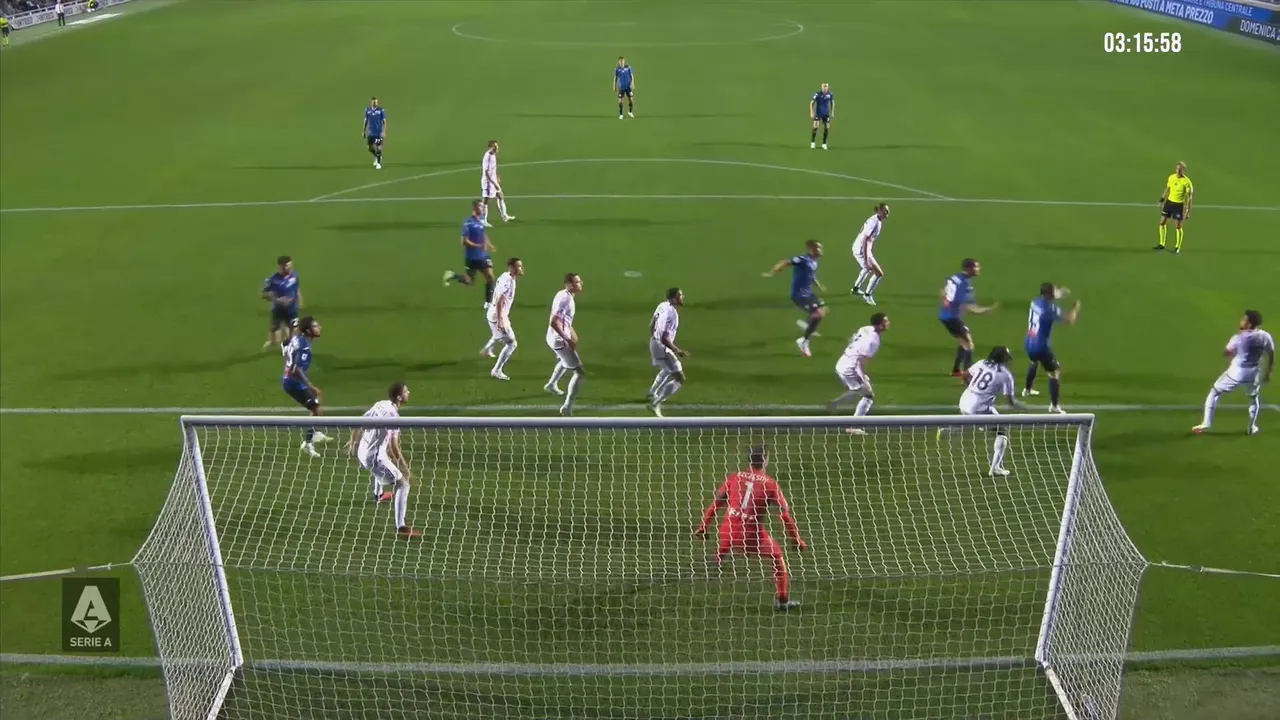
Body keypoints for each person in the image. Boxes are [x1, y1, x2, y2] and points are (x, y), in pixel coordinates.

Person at [695, 444, 808, 612]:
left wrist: (703, 527)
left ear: (749, 460)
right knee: (777, 556)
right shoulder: (771, 484)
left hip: (727, 531)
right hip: (751, 537)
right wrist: (796, 539)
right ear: (766, 461)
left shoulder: (734, 477)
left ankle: (716, 561)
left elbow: (716, 504)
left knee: (730, 527)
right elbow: (784, 516)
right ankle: (783, 601)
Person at [348, 382, 421, 539]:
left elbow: (359, 420)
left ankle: (378, 495)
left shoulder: (381, 404)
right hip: (373, 458)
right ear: (399, 397)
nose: (409, 392)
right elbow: (394, 447)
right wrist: (406, 469)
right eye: (406, 391)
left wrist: (353, 440)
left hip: (363, 450)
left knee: (383, 453)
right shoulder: (393, 416)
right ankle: (401, 527)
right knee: (403, 484)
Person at [944, 346, 1022, 477]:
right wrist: (1023, 406)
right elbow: (1011, 402)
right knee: (1001, 430)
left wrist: (974, 390)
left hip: (964, 401)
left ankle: (949, 430)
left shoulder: (981, 363)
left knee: (977, 420)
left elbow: (964, 375)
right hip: (979, 408)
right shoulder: (1005, 375)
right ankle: (995, 468)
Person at [1193, 310, 1274, 436]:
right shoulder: (1265, 336)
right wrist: (1268, 372)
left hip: (1236, 373)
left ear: (1249, 324)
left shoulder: (1239, 338)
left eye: (1244, 319)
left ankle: (1206, 423)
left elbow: (1226, 352)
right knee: (1253, 398)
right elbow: (1271, 353)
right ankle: (1251, 427)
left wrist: (1234, 351)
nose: (1241, 321)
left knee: (1214, 393)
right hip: (1253, 374)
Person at [1023, 283, 1081, 413]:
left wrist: (1059, 294)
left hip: (1029, 341)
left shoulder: (1035, 302)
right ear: (1050, 294)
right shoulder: (1050, 309)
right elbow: (1069, 320)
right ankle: (1054, 406)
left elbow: (1048, 298)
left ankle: (1027, 389)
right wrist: (1075, 308)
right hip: (1040, 346)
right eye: (1055, 290)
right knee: (1054, 372)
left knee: (1034, 361)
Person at [763, 239, 826, 357]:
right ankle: (803, 341)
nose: (821, 250)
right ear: (811, 249)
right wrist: (772, 272)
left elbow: (811, 275)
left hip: (808, 294)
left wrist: (818, 284)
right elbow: (785, 262)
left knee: (823, 309)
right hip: (799, 295)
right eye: (818, 248)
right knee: (818, 314)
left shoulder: (814, 262)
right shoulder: (803, 259)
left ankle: (808, 325)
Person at [830, 312, 890, 434]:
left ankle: (835, 404)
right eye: (886, 321)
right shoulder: (873, 340)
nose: (888, 323)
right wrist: (862, 376)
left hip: (842, 361)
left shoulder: (865, 328)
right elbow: (861, 361)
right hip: (851, 368)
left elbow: (851, 340)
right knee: (868, 395)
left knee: (859, 389)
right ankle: (853, 426)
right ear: (880, 325)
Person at [939, 258, 998, 378]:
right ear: (968, 268)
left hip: (946, 316)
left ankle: (956, 370)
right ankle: (968, 375)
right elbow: (968, 308)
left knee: (964, 341)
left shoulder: (955, 278)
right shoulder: (965, 285)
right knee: (969, 345)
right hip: (951, 318)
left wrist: (946, 303)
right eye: (976, 267)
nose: (978, 269)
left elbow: (943, 292)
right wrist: (985, 310)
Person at [282, 317, 330, 458]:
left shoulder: (298, 339)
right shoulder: (304, 346)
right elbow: (297, 370)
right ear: (309, 331)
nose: (319, 327)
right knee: (317, 410)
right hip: (293, 382)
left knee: (317, 400)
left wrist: (292, 329)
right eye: (315, 326)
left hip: (292, 380)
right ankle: (307, 444)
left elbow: (285, 345)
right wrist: (311, 386)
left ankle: (314, 432)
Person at [443, 200, 498, 308]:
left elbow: (483, 233)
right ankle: (453, 275)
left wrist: (489, 244)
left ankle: (488, 302)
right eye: (480, 206)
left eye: (482, 206)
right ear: (475, 208)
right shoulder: (468, 223)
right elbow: (464, 241)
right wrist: (477, 245)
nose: (483, 208)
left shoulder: (481, 219)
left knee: (490, 277)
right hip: (472, 257)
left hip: (483, 255)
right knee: (469, 281)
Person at [545, 273, 585, 416]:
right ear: (568, 284)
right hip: (559, 340)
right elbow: (554, 321)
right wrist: (567, 339)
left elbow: (564, 320)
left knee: (564, 360)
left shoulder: (563, 295)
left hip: (553, 337)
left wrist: (573, 334)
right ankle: (567, 407)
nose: (580, 284)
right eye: (577, 282)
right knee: (579, 372)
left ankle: (551, 385)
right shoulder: (565, 299)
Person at [647, 288, 688, 417]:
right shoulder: (672, 313)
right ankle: (655, 403)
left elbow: (651, 325)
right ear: (675, 297)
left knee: (669, 369)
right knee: (680, 378)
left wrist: (655, 340)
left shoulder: (662, 306)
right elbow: (665, 338)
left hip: (654, 343)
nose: (683, 297)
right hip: (662, 346)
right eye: (680, 295)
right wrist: (678, 350)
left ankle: (652, 392)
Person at [480, 258, 524, 380]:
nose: (522, 268)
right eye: (519, 266)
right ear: (512, 268)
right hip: (498, 316)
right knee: (511, 344)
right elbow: (500, 300)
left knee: (498, 334)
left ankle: (486, 350)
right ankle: (496, 370)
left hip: (492, 313)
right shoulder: (508, 281)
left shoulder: (505, 276)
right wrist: (500, 320)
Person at [851, 203, 890, 304]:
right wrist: (865, 258)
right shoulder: (874, 222)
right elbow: (865, 240)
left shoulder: (876, 220)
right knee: (878, 273)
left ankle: (855, 288)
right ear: (879, 211)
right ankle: (867, 295)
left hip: (861, 248)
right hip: (861, 250)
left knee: (867, 268)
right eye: (885, 211)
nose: (888, 212)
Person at [262, 255, 302, 353]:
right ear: (280, 266)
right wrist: (277, 300)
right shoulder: (272, 280)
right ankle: (273, 341)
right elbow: (264, 294)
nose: (289, 268)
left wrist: (299, 299)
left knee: (294, 329)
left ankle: (290, 346)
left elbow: (297, 288)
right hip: (278, 310)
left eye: (290, 265)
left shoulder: (295, 275)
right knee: (275, 336)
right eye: (286, 266)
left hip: (292, 309)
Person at [1155, 162, 1193, 254]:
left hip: (1178, 205)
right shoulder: (1171, 177)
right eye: (1177, 169)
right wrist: (1161, 199)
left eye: (1180, 169)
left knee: (1178, 226)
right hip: (1169, 203)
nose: (1178, 171)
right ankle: (1162, 243)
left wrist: (1188, 211)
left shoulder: (1187, 182)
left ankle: (1177, 246)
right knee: (1162, 222)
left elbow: (1189, 198)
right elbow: (1167, 189)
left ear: (1183, 170)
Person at [480, 140, 514, 226]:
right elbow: (486, 173)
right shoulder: (487, 157)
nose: (497, 148)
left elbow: (493, 169)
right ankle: (483, 220)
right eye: (495, 146)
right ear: (490, 147)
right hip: (488, 182)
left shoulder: (493, 155)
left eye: (497, 146)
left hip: (493, 179)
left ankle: (504, 216)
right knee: (486, 200)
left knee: (500, 196)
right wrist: (493, 183)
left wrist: (496, 177)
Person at [362, 97, 387, 170]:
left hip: (378, 133)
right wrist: (363, 131)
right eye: (373, 102)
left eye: (376, 102)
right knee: (369, 148)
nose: (375, 103)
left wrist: (384, 131)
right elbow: (365, 121)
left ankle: (378, 164)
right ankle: (377, 156)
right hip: (370, 133)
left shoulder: (381, 110)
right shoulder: (367, 110)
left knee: (379, 147)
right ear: (371, 102)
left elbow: (384, 121)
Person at [809, 82, 833, 149]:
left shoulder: (830, 94)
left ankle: (824, 143)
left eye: (826, 87)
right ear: (822, 88)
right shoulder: (817, 94)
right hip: (818, 113)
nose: (825, 88)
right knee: (815, 127)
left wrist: (832, 111)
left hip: (826, 114)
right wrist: (811, 112)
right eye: (824, 87)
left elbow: (832, 102)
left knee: (827, 128)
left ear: (828, 87)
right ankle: (813, 142)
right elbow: (811, 103)